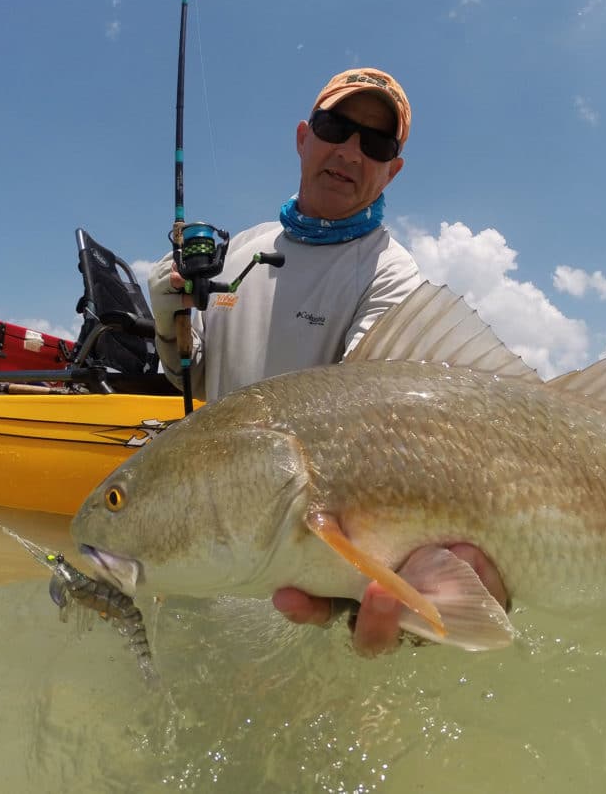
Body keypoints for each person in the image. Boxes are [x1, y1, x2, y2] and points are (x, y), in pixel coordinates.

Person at [148, 67, 507, 655]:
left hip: (310, 573)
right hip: (221, 546)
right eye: (334, 126)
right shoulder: (241, 249)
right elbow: (196, 370)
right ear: (302, 137)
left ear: (393, 169)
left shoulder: (391, 274)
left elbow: (367, 429)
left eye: (376, 143)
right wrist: (171, 323)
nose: (349, 151)